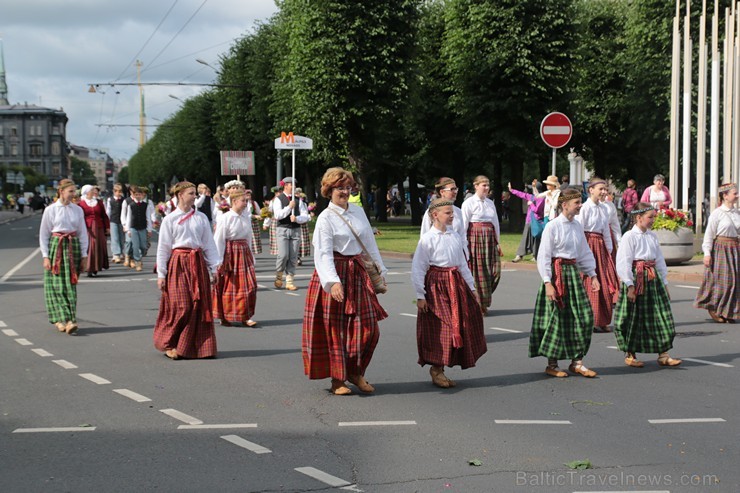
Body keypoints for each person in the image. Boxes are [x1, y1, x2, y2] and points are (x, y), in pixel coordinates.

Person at [302, 167, 388, 395]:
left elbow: (369, 244)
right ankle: (337, 380)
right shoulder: (325, 218)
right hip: (336, 272)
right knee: (336, 330)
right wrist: (332, 282)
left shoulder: (358, 211)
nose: (345, 191)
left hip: (357, 270)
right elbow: (322, 253)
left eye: (348, 187)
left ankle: (355, 371)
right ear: (329, 190)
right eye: (340, 187)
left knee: (370, 329)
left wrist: (381, 272)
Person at [412, 198, 486, 388]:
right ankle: (437, 368)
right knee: (442, 327)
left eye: (452, 212)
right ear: (435, 215)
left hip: (456, 283)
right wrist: (420, 295)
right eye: (448, 212)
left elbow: (462, 264)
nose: (452, 215)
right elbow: (419, 268)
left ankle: (444, 365)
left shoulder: (454, 236)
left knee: (461, 323)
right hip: (436, 285)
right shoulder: (428, 239)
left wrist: (472, 288)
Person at [529, 188, 600, 378]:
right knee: (557, 321)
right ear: (564, 204)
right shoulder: (552, 226)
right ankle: (552, 364)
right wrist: (547, 282)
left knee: (584, 318)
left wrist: (592, 275)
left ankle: (577, 362)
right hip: (556, 275)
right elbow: (543, 255)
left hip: (573, 274)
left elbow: (584, 252)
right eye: (577, 202)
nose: (580, 206)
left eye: (580, 202)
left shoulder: (577, 226)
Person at [154, 181, 220, 360]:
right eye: (191, 193)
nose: (195, 196)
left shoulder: (201, 218)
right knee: (181, 305)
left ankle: (196, 347)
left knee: (198, 306)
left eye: (195, 193)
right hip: (178, 263)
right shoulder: (170, 219)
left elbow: (209, 244)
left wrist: (214, 268)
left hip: (197, 262)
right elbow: (163, 248)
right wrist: (162, 273)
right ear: (180, 195)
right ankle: (170, 343)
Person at [613, 202, 682, 368]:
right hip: (637, 278)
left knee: (661, 315)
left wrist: (664, 284)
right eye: (650, 217)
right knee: (633, 317)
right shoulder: (629, 236)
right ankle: (630, 353)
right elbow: (623, 262)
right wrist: (629, 285)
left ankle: (663, 354)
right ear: (639, 217)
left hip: (652, 278)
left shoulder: (652, 236)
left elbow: (659, 261)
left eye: (654, 217)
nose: (653, 220)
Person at [40, 179, 89, 335]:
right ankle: (65, 320)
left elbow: (83, 234)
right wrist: (46, 256)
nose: (73, 194)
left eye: (75, 191)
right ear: (61, 191)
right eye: (71, 191)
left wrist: (84, 255)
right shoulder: (51, 210)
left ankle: (68, 319)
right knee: (58, 286)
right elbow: (44, 235)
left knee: (70, 286)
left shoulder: (78, 210)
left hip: (72, 246)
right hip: (57, 246)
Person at [576, 177, 619, 333]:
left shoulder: (603, 208)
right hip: (588, 245)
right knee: (589, 283)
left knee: (604, 283)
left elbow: (606, 231)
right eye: (600, 189)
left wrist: (608, 250)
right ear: (591, 190)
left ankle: (602, 320)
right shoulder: (585, 208)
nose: (603, 192)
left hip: (600, 248)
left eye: (605, 189)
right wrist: (581, 252)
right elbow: (579, 230)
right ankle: (589, 319)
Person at [212, 188, 258, 327]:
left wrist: (252, 256)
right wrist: (218, 260)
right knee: (228, 286)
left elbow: (249, 237)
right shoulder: (225, 218)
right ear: (234, 201)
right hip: (230, 253)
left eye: (246, 200)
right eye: (243, 201)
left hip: (244, 252)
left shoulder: (246, 217)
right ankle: (224, 315)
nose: (246, 203)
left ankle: (245, 315)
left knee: (250, 285)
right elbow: (219, 239)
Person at [695, 183, 739, 323]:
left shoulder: (737, 213)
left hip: (735, 248)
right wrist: (707, 253)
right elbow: (709, 235)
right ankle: (714, 308)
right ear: (725, 196)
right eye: (734, 193)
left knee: (735, 281)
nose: (737, 195)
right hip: (721, 249)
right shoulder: (717, 214)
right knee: (725, 282)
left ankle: (729, 311)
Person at [462, 175, 502, 315]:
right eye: (483, 185)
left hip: (490, 238)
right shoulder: (469, 203)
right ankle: (479, 304)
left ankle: (483, 298)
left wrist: (498, 242)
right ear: (476, 185)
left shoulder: (490, 203)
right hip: (475, 238)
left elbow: (495, 223)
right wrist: (465, 245)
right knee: (478, 273)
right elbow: (464, 225)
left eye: (488, 185)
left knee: (495, 271)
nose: (486, 188)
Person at [271, 177, 309, 291]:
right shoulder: (278, 199)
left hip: (295, 229)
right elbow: (277, 215)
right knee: (283, 255)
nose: (294, 186)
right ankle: (279, 274)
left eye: (294, 184)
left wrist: (297, 218)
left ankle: (289, 281)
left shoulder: (298, 200)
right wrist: (289, 208)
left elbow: (306, 216)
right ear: (285, 185)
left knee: (293, 256)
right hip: (283, 229)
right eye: (291, 184)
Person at [420, 177, 468, 257]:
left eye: (456, 189)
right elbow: (424, 236)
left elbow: (462, 236)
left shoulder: (458, 212)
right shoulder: (432, 212)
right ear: (442, 192)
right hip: (437, 255)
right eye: (452, 189)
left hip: (456, 255)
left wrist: (465, 254)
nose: (455, 192)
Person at [508, 180, 544, 262]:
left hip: (537, 221)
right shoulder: (531, 196)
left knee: (536, 238)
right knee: (525, 238)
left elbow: (537, 210)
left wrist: (531, 204)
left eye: (533, 188)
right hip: (529, 221)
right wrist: (511, 190)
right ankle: (519, 255)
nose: (531, 190)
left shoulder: (542, 198)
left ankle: (536, 256)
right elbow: (521, 194)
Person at [121, 185, 154, 272]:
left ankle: (140, 257)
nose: (139, 196)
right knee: (135, 246)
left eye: (140, 194)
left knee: (143, 246)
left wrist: (149, 229)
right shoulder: (131, 205)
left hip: (142, 228)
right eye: (137, 194)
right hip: (133, 228)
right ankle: (138, 262)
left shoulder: (145, 205)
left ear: (142, 195)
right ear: (134, 195)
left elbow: (148, 218)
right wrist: (127, 229)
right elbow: (128, 218)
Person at [78, 185, 110, 277]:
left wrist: (107, 227)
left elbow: (104, 216)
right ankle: (88, 267)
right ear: (87, 192)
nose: (94, 192)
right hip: (87, 228)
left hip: (99, 228)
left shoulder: (99, 202)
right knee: (89, 247)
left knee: (98, 247)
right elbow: (80, 217)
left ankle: (96, 266)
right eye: (92, 190)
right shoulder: (81, 204)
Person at [106, 183, 126, 263]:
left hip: (122, 221)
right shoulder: (110, 200)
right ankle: (116, 254)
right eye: (117, 191)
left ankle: (121, 252)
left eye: (120, 191)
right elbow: (108, 211)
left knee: (122, 238)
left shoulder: (124, 200)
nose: (118, 193)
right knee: (115, 238)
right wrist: (107, 222)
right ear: (114, 191)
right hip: (113, 220)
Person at [296, 188, 311, 266]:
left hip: (303, 223)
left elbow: (305, 213)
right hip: (296, 223)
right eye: (297, 193)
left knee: (302, 242)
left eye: (299, 193)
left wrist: (309, 216)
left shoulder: (303, 203)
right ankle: (296, 258)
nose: (298, 194)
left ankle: (298, 257)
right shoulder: (294, 202)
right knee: (295, 241)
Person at [245, 189, 263, 255]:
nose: (248, 196)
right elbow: (246, 214)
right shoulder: (243, 203)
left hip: (254, 223)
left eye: (249, 195)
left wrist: (262, 214)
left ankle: (252, 253)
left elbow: (259, 212)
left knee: (254, 238)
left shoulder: (253, 203)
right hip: (246, 223)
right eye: (247, 195)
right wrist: (254, 216)